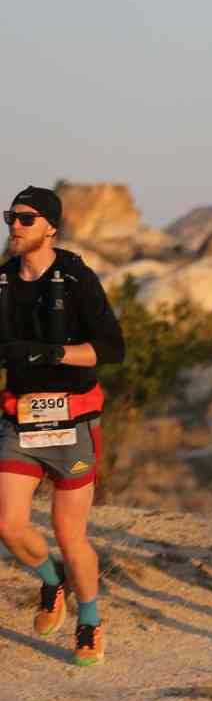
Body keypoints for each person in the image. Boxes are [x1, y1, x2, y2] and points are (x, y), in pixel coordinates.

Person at [0, 187, 125, 667]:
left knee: (69, 533)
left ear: (51, 227)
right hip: (20, 419)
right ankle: (53, 583)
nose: (15, 225)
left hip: (73, 421)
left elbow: (112, 349)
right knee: (9, 524)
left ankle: (89, 620)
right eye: (11, 216)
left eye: (26, 219)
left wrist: (52, 354)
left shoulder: (76, 278)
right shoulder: (4, 280)